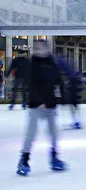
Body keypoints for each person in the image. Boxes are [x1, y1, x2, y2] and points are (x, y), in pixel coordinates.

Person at [16, 41, 66, 176]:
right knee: (31, 133)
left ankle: (54, 157)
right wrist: (38, 101)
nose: (38, 50)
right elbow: (30, 85)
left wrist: (61, 96)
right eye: (36, 48)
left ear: (47, 49)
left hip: (50, 103)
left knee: (53, 133)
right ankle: (24, 159)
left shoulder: (51, 63)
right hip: (35, 104)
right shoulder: (32, 64)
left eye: (41, 48)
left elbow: (58, 80)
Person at [56, 54, 81, 129]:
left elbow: (58, 71)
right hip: (73, 81)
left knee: (72, 102)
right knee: (73, 102)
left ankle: (77, 121)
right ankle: (77, 121)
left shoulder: (60, 62)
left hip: (72, 82)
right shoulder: (67, 62)